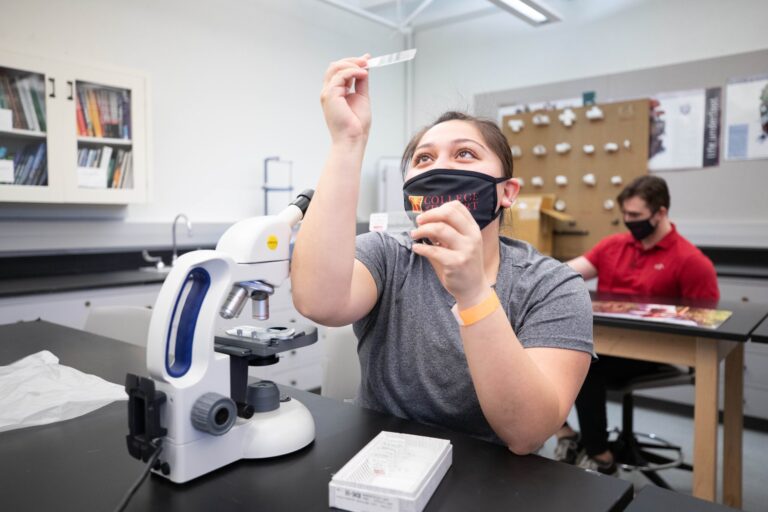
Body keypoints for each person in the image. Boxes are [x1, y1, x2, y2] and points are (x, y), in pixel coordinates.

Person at [291, 55, 593, 453]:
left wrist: (474, 296)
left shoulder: (552, 286)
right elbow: (318, 301)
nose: (441, 168)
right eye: (424, 159)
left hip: (494, 477)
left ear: (507, 191)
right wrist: (348, 140)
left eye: (465, 154)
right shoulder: (388, 255)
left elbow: (527, 433)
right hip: (379, 460)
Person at [554, 175, 719, 474]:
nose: (629, 221)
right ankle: (564, 432)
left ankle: (600, 456)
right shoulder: (614, 246)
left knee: (583, 360)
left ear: (661, 213)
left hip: (654, 355)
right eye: (625, 215)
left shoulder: (691, 261)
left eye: (636, 216)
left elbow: (707, 323)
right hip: (608, 346)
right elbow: (564, 274)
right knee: (552, 347)